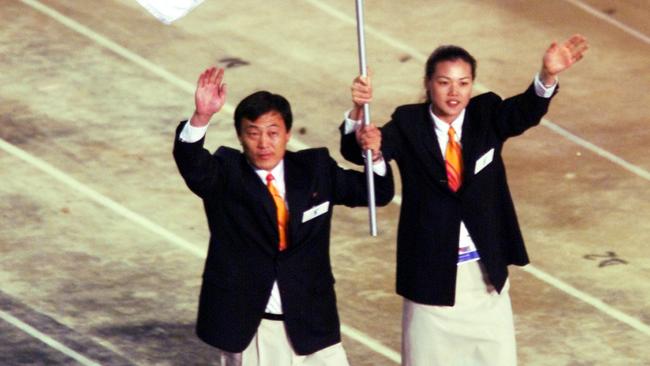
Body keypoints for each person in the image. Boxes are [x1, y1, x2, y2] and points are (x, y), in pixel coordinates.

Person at [340, 35, 588, 365]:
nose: (454, 93)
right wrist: (361, 121)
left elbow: (524, 111)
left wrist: (547, 76)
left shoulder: (486, 115)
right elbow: (360, 153)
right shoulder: (408, 123)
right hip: (431, 280)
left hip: (485, 278)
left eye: (463, 83)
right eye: (444, 82)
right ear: (429, 84)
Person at [173, 67, 394, 366]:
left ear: (288, 134)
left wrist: (375, 154)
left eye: (273, 133)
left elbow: (376, 192)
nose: (264, 143)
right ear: (240, 136)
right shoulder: (225, 175)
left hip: (314, 326)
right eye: (253, 133)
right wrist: (201, 117)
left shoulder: (315, 170)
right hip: (254, 329)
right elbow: (192, 163)